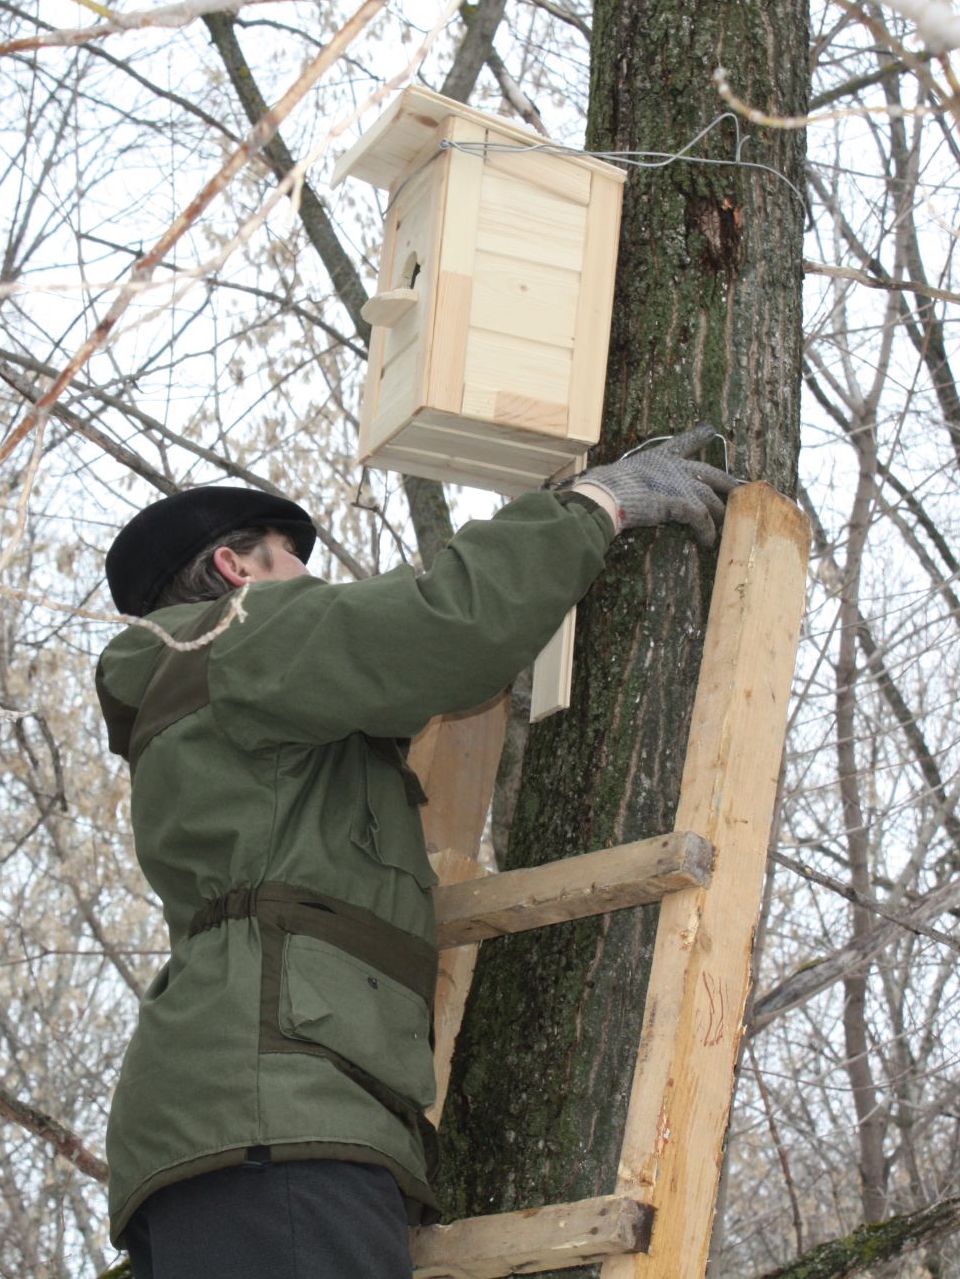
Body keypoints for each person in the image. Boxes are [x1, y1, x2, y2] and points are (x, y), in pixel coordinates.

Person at [94, 429, 737, 1279]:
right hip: (274, 1122)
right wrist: (594, 507)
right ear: (234, 571)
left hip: (245, 1123)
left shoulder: (224, 703)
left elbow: (405, 680)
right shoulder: (236, 637)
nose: (309, 590)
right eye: (293, 566)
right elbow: (440, 623)